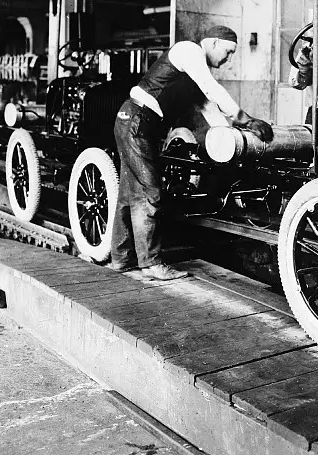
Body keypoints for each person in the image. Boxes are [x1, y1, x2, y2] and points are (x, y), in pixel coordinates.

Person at [110, 25, 274, 280]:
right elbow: (211, 87)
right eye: (229, 52)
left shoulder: (191, 74)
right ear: (215, 42)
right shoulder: (189, 51)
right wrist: (245, 118)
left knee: (129, 194)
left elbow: (212, 113)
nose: (228, 59)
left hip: (135, 122)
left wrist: (239, 141)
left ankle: (120, 259)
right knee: (149, 192)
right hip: (138, 121)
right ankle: (151, 264)